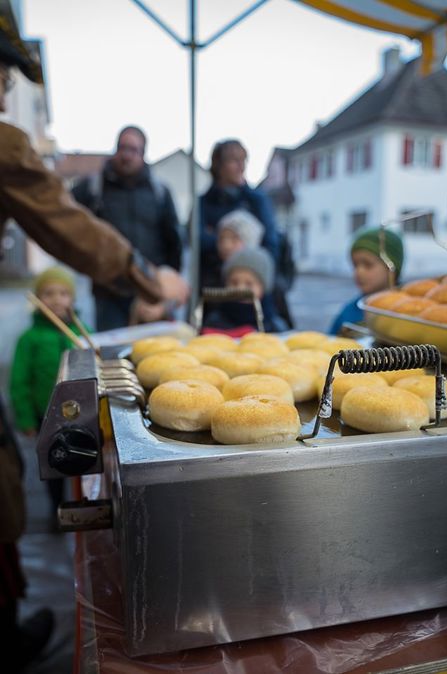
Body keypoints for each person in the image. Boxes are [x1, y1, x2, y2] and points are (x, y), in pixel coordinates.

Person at [0, 13, 187, 672]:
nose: (1, 93)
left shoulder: (156, 190)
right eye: (0, 75)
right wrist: (149, 278)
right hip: (125, 286)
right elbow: (71, 225)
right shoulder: (7, 145)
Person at [72, 126, 183, 330]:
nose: (127, 155)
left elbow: (173, 241)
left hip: (150, 290)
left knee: (155, 354)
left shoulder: (159, 192)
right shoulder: (93, 188)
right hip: (109, 291)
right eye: (122, 148)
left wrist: (166, 286)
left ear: (143, 154)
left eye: (134, 150)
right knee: (112, 354)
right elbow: (69, 222)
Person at [9, 267, 88, 521]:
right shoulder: (29, 339)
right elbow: (19, 382)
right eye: (49, 293)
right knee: (54, 463)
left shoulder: (82, 332)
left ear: (73, 300)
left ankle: (83, 505)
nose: (57, 299)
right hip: (46, 416)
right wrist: (25, 419)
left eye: (64, 293)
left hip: (81, 415)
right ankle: (58, 508)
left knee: (83, 462)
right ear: (38, 299)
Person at [199, 139, 279, 288]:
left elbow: (270, 246)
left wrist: (220, 239)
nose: (241, 167)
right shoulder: (203, 203)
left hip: (252, 286)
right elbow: (198, 240)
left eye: (243, 160)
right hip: (214, 288)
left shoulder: (257, 201)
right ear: (218, 165)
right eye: (233, 160)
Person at [329, 226, 404, 335]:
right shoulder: (349, 311)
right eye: (355, 265)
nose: (359, 272)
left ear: (391, 268)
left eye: (368, 265)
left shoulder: (406, 312)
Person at [203, 248, 288, 335]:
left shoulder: (275, 326)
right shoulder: (213, 322)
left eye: (249, 284)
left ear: (263, 288)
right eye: (234, 283)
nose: (240, 289)